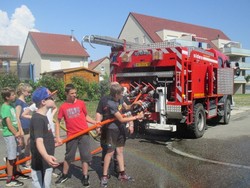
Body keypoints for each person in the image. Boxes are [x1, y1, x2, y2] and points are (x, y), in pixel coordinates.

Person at [100, 83, 144, 187]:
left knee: (120, 151)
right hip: (112, 130)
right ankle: (104, 176)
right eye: (121, 93)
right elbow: (121, 118)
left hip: (120, 128)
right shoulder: (110, 104)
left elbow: (127, 107)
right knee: (110, 152)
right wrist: (136, 118)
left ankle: (122, 174)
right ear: (115, 94)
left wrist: (134, 104)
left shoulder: (120, 98)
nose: (123, 95)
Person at [55, 83, 97, 187]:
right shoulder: (63, 107)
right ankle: (64, 175)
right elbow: (57, 122)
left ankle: (85, 176)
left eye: (75, 93)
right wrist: (58, 137)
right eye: (72, 93)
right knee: (68, 156)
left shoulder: (81, 103)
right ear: (66, 94)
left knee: (85, 156)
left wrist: (95, 123)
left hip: (84, 134)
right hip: (72, 135)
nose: (74, 95)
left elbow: (86, 116)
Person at [96, 83, 134, 176]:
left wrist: (131, 124)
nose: (122, 93)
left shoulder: (122, 98)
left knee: (119, 151)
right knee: (108, 150)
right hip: (108, 128)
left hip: (120, 128)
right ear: (114, 92)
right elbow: (99, 113)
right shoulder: (105, 100)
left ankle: (120, 171)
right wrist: (98, 125)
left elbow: (128, 109)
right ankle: (105, 174)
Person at [29, 86, 60, 188]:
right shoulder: (38, 119)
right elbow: (39, 141)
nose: (53, 99)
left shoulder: (43, 116)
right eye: (50, 98)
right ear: (43, 102)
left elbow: (44, 136)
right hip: (41, 162)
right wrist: (46, 156)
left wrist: (53, 142)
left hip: (46, 161)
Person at [0, 87, 25, 187]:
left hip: (15, 134)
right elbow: (9, 124)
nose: (15, 96)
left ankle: (15, 172)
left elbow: (16, 120)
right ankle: (10, 179)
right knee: (11, 157)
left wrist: (19, 131)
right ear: (7, 97)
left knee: (15, 155)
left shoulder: (11, 106)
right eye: (13, 95)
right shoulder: (5, 108)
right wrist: (16, 134)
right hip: (10, 135)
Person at [15, 83, 32, 169]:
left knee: (26, 144)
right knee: (27, 144)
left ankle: (14, 156)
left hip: (28, 125)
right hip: (24, 126)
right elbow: (17, 117)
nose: (29, 94)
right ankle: (27, 162)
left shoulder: (24, 101)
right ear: (22, 91)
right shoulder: (19, 102)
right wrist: (20, 129)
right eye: (28, 92)